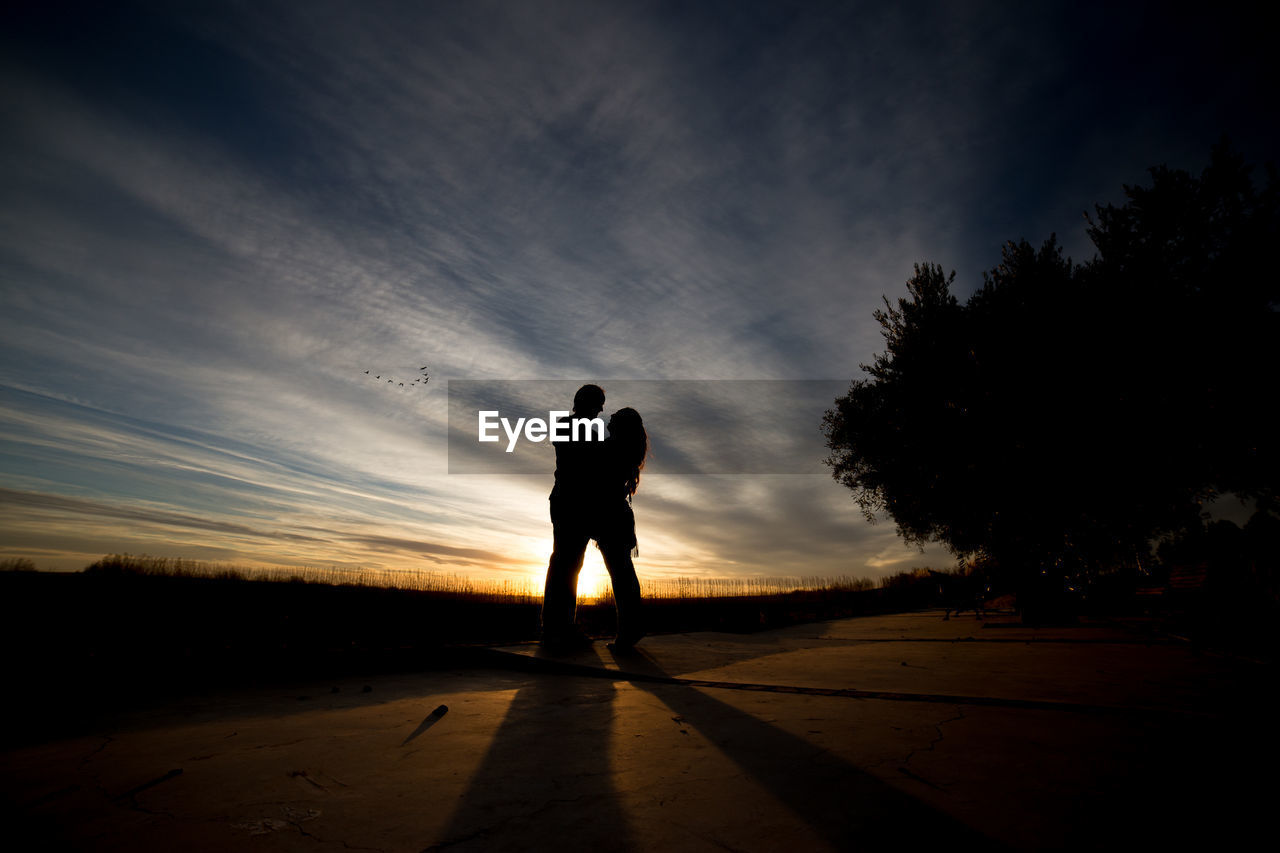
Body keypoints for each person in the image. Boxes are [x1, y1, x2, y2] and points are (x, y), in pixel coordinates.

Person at [541, 384, 607, 650]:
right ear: (587, 403)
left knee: (568, 564)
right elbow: (587, 463)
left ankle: (559, 626)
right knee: (565, 565)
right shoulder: (569, 428)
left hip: (572, 504)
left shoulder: (579, 430)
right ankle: (558, 628)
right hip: (571, 505)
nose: (602, 409)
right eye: (599, 403)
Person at [593, 407, 648, 651]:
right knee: (623, 574)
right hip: (618, 517)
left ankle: (629, 631)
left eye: (614, 418)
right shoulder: (625, 448)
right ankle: (631, 628)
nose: (609, 418)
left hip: (612, 518)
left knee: (621, 575)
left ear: (622, 425)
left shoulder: (614, 448)